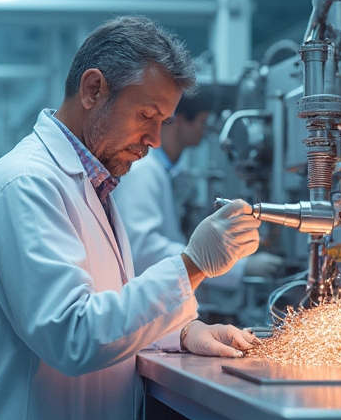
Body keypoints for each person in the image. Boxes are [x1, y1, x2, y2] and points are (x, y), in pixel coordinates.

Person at [0, 15, 261, 420]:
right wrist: (192, 265)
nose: (154, 139)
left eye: (164, 121)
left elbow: (106, 300)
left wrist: (183, 331)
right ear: (94, 89)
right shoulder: (26, 186)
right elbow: (73, 333)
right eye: (147, 115)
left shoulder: (90, 186)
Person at [114, 88, 285, 287]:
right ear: (180, 121)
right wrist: (237, 267)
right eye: (202, 121)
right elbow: (144, 250)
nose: (205, 131)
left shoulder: (166, 170)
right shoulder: (143, 171)